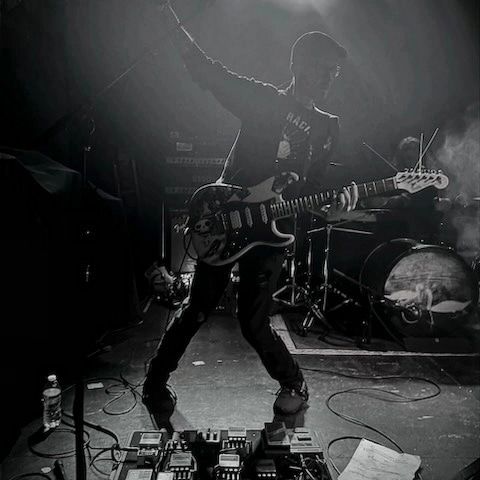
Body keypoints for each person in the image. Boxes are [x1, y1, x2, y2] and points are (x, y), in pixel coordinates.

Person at [143, 3, 358, 417]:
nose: (330, 77)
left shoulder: (328, 127)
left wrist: (334, 205)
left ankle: (294, 382)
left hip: (271, 233)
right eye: (323, 68)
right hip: (228, 219)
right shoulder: (264, 99)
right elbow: (207, 71)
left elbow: (312, 192)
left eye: (335, 72)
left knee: (254, 323)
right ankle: (154, 381)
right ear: (298, 65)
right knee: (198, 309)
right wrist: (168, 19)